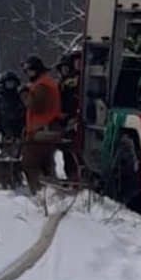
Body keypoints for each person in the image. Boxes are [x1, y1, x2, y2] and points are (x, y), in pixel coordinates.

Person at [19, 55, 63, 193]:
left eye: (29, 71)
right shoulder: (46, 82)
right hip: (48, 130)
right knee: (46, 165)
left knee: (29, 163)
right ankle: (51, 193)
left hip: (42, 132)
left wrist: (24, 94)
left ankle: (39, 192)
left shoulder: (42, 85)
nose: (28, 74)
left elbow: (36, 105)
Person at [55, 51, 81, 182]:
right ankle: (70, 175)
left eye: (67, 67)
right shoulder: (59, 83)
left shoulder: (75, 82)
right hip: (62, 120)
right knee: (66, 150)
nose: (65, 70)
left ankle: (75, 175)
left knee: (73, 148)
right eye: (62, 68)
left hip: (73, 118)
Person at [0, 71, 25, 159]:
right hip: (6, 134)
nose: (10, 86)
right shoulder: (1, 99)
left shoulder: (21, 98)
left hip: (21, 134)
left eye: (12, 83)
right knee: (6, 160)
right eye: (8, 83)